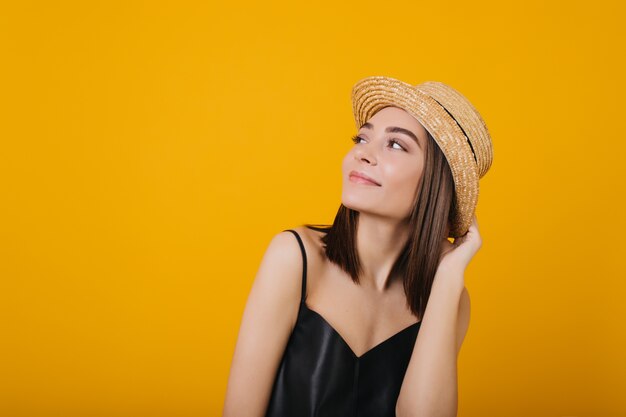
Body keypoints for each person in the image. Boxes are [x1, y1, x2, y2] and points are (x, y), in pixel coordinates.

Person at [222, 75, 494, 417]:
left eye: (395, 144)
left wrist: (451, 274)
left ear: (436, 182)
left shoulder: (448, 298)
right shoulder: (295, 258)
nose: (363, 154)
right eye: (362, 137)